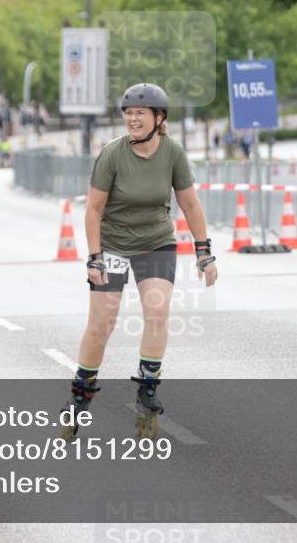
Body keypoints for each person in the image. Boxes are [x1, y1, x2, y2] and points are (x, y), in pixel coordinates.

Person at [61, 83, 218, 440]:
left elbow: (190, 205)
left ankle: (147, 390)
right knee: (103, 323)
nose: (132, 119)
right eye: (128, 113)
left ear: (158, 118)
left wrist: (203, 251)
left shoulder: (173, 153)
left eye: (139, 113)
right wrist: (95, 258)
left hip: (156, 242)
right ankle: (79, 396)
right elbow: (94, 209)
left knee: (158, 312)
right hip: (113, 245)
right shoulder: (112, 154)